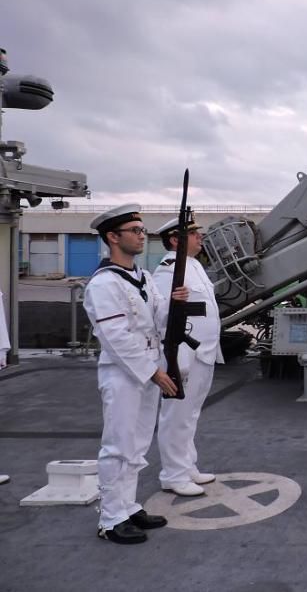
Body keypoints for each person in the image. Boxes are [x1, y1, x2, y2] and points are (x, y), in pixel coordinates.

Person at [83, 204, 189, 544]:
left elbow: (157, 319)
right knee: (118, 446)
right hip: (124, 374)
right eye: (135, 231)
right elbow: (117, 338)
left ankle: (127, 506)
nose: (142, 236)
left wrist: (175, 303)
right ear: (113, 237)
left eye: (143, 230)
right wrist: (154, 373)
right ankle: (111, 519)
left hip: (148, 369)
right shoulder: (103, 284)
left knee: (138, 444)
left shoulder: (141, 277)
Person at [151, 214, 222, 498]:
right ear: (175, 240)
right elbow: (158, 313)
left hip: (203, 349)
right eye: (193, 234)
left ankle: (187, 465)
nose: (200, 237)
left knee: (190, 413)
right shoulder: (168, 270)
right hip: (183, 351)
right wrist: (173, 302)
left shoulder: (194, 266)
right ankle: (173, 474)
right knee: (176, 414)